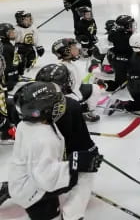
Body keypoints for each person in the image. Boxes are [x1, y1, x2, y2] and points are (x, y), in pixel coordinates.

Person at [8, 81, 103, 220]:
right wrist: (75, 164)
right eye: (57, 102)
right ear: (44, 110)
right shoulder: (43, 139)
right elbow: (46, 179)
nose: (62, 103)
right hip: (32, 192)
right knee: (86, 174)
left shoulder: (26, 124)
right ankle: (73, 215)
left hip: (23, 180)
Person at [34, 64, 100, 220]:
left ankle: (12, 186)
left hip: (35, 165)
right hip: (59, 164)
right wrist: (92, 154)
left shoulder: (27, 105)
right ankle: (73, 215)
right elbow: (82, 143)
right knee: (87, 173)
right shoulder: (70, 105)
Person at [52, 38, 101, 122]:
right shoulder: (66, 68)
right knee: (95, 89)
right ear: (66, 51)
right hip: (69, 100)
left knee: (92, 87)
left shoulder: (65, 65)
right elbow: (70, 90)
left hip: (68, 98)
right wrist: (80, 104)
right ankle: (84, 113)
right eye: (73, 47)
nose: (77, 49)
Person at [105, 15, 136, 91]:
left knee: (120, 80)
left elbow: (110, 37)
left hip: (117, 59)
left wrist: (114, 29)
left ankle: (108, 84)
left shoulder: (114, 34)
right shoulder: (130, 37)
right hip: (125, 61)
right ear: (125, 27)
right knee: (121, 82)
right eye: (131, 25)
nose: (133, 27)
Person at [14, 11, 44, 75]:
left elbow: (36, 39)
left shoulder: (33, 28)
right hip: (19, 48)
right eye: (26, 19)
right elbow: (12, 41)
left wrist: (39, 47)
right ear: (20, 20)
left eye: (30, 18)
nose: (29, 20)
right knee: (21, 61)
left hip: (29, 47)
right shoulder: (16, 29)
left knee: (30, 60)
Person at [0, 23, 20, 91]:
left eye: (12, 31)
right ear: (3, 34)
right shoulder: (7, 47)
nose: (13, 33)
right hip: (7, 81)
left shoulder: (7, 45)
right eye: (10, 32)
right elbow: (8, 67)